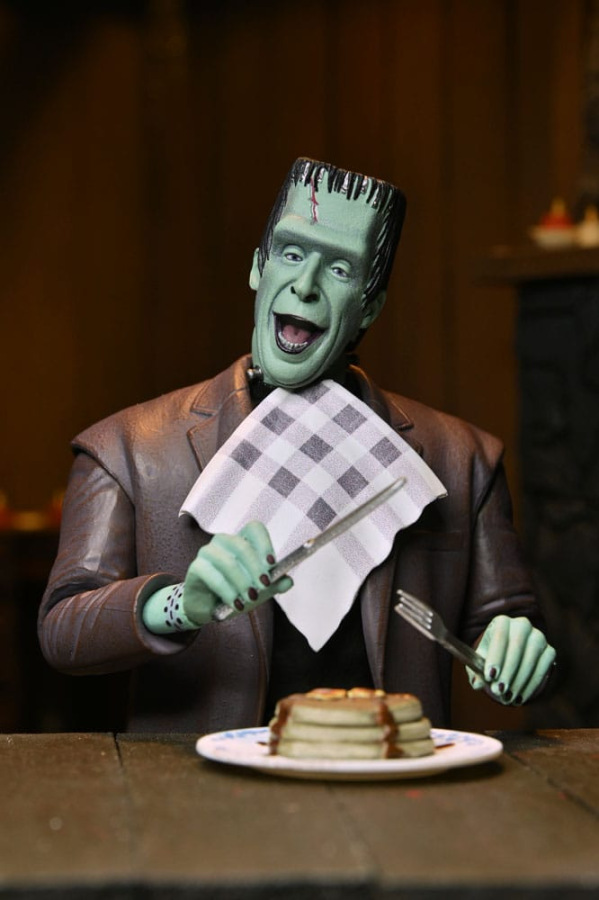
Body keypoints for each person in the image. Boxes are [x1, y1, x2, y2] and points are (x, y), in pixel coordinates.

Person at [39, 158, 555, 733]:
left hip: (389, 774)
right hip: (200, 784)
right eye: (290, 253)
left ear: (371, 305)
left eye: (339, 268)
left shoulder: (462, 460)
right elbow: (63, 630)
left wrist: (517, 650)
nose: (306, 286)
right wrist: (181, 603)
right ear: (258, 268)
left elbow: (508, 626)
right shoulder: (127, 450)